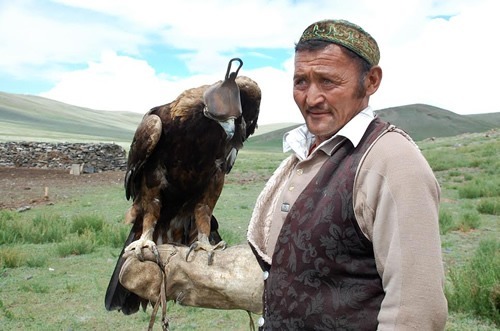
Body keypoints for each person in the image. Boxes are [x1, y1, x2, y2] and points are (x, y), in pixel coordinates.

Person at [246, 19, 448, 330]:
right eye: (301, 82)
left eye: (328, 82)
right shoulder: (303, 155)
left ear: (371, 81)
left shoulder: (392, 161)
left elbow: (417, 311)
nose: (311, 98)